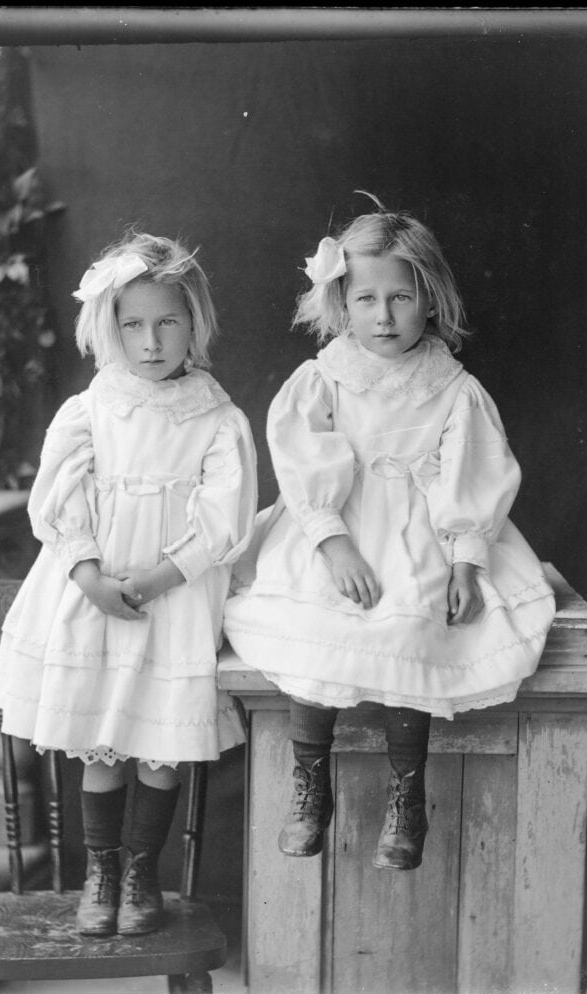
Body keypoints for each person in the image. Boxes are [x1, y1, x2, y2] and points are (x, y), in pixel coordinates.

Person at [224, 195, 555, 872]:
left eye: (400, 298)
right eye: (366, 299)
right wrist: (329, 537)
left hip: (421, 529)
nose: (383, 315)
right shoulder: (323, 378)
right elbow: (301, 459)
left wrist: (465, 559)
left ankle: (408, 796)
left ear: (429, 300)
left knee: (416, 624)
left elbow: (471, 475)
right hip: (334, 525)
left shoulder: (453, 388)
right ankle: (308, 783)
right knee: (324, 624)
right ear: (341, 302)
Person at [0, 230, 257, 936]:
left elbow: (222, 522)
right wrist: (89, 575)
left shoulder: (217, 418)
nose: (150, 341)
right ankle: (101, 877)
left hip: (170, 599)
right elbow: (58, 502)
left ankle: (143, 875)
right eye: (132, 324)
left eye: (166, 321)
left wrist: (158, 578)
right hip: (95, 599)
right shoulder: (90, 410)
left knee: (158, 753)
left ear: (192, 323)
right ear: (109, 328)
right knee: (102, 747)